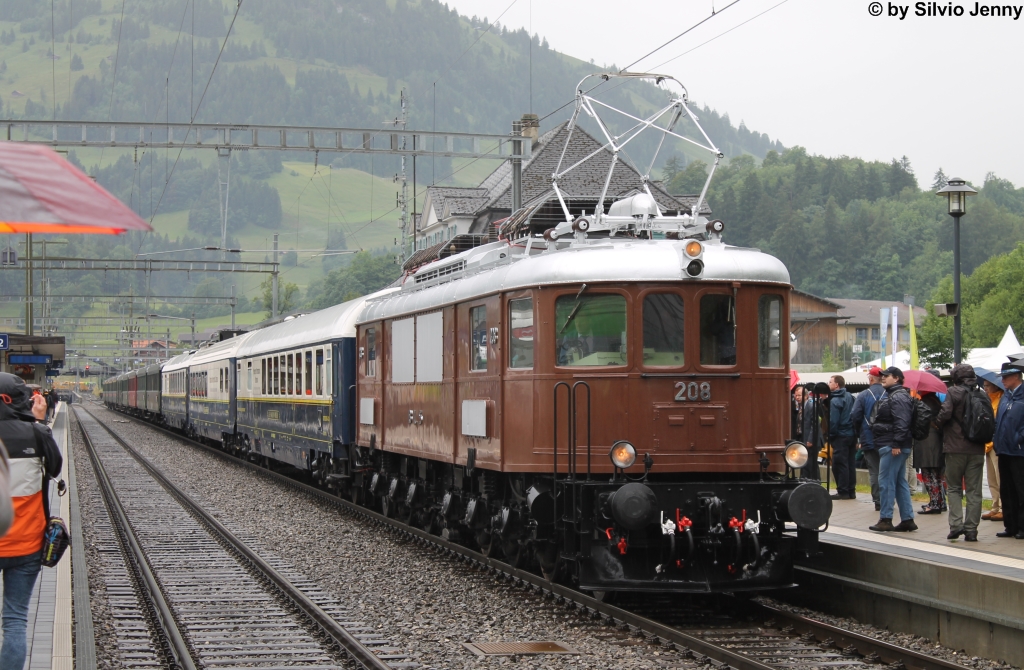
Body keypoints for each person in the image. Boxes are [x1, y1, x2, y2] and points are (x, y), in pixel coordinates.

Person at [0, 372, 64, 669]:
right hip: (26, 545)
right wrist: (38, 422)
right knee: (15, 620)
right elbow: (54, 467)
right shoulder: (37, 434)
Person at [936, 364, 988, 542]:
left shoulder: (954, 392)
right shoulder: (981, 393)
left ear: (957, 377)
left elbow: (945, 414)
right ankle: (972, 529)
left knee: (955, 488)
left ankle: (956, 525)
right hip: (977, 448)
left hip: (955, 447)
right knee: (974, 491)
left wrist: (937, 423)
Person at [869, 367, 917, 532]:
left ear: (896, 378)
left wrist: (897, 444)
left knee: (886, 482)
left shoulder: (897, 397)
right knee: (898, 482)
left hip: (892, 445)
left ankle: (886, 518)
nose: (883, 378)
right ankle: (907, 519)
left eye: (886, 376)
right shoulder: (897, 395)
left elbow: (902, 422)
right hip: (895, 444)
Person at [994, 362, 1024, 539]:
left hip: (1019, 451)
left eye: (1005, 377)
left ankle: (1022, 526)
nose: (1003, 380)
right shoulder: (1006, 397)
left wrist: (1018, 438)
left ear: (1016, 377)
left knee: (1021, 490)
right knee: (1006, 489)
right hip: (1004, 450)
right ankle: (1010, 525)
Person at [852, 367, 886, 511]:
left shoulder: (864, 395)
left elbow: (855, 415)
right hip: (887, 439)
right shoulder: (889, 393)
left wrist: (859, 433)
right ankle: (888, 499)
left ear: (871, 379)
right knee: (888, 471)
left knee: (874, 471)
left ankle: (878, 500)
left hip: (869, 437)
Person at [913, 391, 946, 514]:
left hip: (926, 442)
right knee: (937, 475)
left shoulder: (924, 403)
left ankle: (934, 504)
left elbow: (919, 422)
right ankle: (940, 502)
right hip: (936, 441)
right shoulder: (936, 401)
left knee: (928, 474)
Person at [828, 375, 856, 500]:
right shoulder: (850, 397)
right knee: (850, 462)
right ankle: (851, 490)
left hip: (840, 435)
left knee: (839, 463)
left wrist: (831, 435)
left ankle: (843, 491)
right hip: (851, 434)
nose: (828, 384)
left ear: (836, 385)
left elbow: (833, 421)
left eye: (830, 382)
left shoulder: (835, 400)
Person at [982, 379, 1004, 522]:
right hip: (987, 443)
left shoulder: (1002, 399)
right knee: (991, 478)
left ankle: (1003, 507)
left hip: (996, 443)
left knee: (999, 476)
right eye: (984, 386)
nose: (985, 389)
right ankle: (994, 506)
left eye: (987, 386)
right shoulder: (988, 400)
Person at [802, 383, 826, 481]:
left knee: (812, 463)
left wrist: (810, 439)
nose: (797, 397)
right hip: (803, 438)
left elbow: (815, 424)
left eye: (799, 395)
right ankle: (806, 480)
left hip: (811, 439)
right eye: (796, 395)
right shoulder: (800, 407)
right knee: (805, 463)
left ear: (806, 396)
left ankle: (815, 481)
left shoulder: (811, 406)